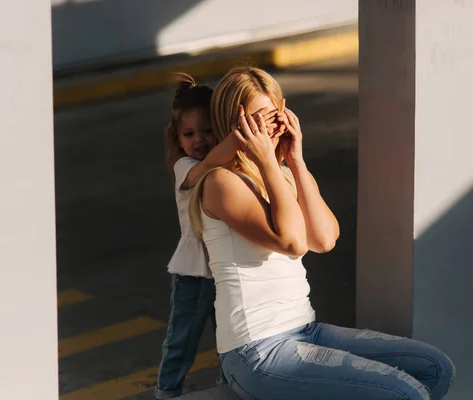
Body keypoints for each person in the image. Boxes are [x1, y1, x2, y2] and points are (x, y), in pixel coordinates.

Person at [188, 66, 455, 400]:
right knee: (405, 394)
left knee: (435, 367)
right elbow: (292, 241)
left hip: (305, 330)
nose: (269, 129)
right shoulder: (221, 182)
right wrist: (270, 163)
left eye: (274, 116)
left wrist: (295, 159)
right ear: (234, 125)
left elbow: (324, 238)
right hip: (257, 350)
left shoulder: (282, 174)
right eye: (256, 120)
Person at [155, 73, 278, 399]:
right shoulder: (185, 167)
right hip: (196, 271)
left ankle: (231, 387)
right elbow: (208, 164)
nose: (200, 140)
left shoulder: (228, 165)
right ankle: (167, 391)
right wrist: (241, 137)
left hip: (226, 268)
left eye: (208, 131)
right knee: (183, 338)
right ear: (177, 138)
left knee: (229, 334)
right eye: (189, 133)